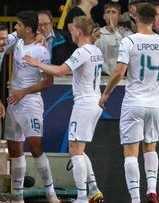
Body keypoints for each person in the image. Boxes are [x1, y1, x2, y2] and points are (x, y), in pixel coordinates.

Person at [99, 3, 159, 203]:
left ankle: (135, 199)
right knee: (151, 147)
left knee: (130, 152)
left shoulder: (129, 41)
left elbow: (119, 71)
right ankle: (152, 190)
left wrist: (106, 93)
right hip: (156, 104)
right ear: (154, 19)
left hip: (134, 102)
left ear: (135, 18)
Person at [24, 15, 105, 203]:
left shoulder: (82, 52)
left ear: (78, 31)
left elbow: (61, 70)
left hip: (84, 104)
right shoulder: (96, 50)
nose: (71, 36)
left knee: (74, 151)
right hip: (94, 102)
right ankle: (93, 190)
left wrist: (37, 64)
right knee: (78, 149)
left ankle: (82, 197)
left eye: (71, 32)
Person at [4, 11, 60, 203]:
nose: (15, 28)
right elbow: (1, 42)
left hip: (30, 103)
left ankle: (50, 192)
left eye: (18, 25)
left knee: (36, 148)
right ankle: (18, 195)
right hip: (13, 103)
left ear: (28, 29)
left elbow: (48, 81)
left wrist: (24, 92)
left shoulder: (41, 51)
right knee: (14, 148)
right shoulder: (18, 42)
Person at [95, 1, 132, 75]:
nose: (110, 15)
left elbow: (128, 51)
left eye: (114, 12)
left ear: (119, 16)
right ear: (104, 16)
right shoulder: (98, 34)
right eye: (108, 12)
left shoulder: (126, 33)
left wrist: (115, 31)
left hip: (122, 76)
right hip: (103, 76)